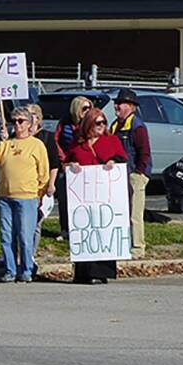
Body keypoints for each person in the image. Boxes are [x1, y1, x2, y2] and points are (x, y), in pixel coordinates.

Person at [0, 107, 49, 283]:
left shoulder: (37, 145)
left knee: (25, 236)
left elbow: (43, 173)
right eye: (14, 121)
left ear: (29, 124)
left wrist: (40, 194)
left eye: (21, 121)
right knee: (7, 236)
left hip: (27, 196)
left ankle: (27, 269)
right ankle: (10, 269)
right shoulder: (7, 143)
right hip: (5, 196)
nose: (17, 125)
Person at [66, 108, 128, 283]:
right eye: (97, 123)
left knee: (103, 231)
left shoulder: (111, 140)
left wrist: (113, 161)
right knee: (85, 232)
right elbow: (67, 161)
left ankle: (101, 272)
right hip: (83, 196)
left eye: (103, 122)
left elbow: (122, 158)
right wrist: (72, 165)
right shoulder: (78, 143)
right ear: (88, 124)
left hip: (105, 195)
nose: (101, 126)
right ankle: (83, 273)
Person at [109, 88, 151, 258]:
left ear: (131, 107)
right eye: (116, 103)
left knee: (135, 214)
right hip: (119, 176)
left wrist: (139, 173)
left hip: (134, 175)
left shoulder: (137, 127)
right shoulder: (114, 125)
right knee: (121, 212)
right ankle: (122, 244)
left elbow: (144, 152)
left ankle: (138, 247)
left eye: (120, 103)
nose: (116, 106)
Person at [27, 104, 60, 276]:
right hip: (23, 186)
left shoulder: (47, 137)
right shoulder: (18, 136)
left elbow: (54, 163)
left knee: (36, 223)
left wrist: (51, 184)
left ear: (38, 118)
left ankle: (30, 254)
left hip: (41, 187)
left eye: (31, 114)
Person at [54, 96, 93, 240]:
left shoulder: (91, 123)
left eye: (89, 108)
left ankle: (84, 228)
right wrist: (64, 160)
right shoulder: (64, 122)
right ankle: (65, 229)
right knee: (64, 199)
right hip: (67, 166)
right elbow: (56, 141)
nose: (88, 111)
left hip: (85, 167)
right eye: (84, 108)